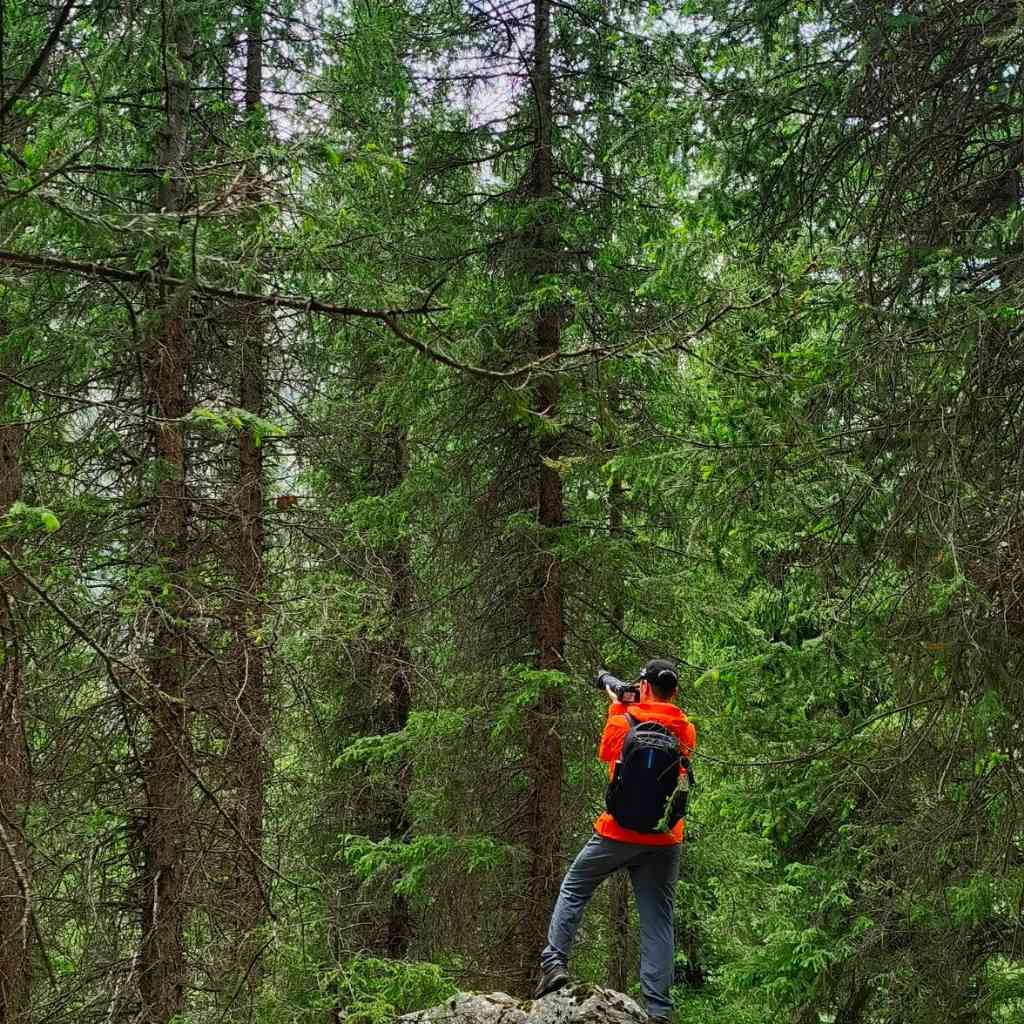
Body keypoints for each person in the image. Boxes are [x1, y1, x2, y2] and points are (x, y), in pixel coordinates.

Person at [535, 659, 696, 1023]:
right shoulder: (685, 729)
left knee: (575, 887)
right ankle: (658, 1010)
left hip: (617, 833)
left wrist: (618, 705)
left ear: (644, 685)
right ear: (673, 691)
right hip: (665, 837)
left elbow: (607, 752)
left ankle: (554, 962)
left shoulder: (623, 717)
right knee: (658, 920)